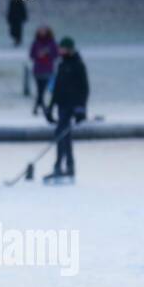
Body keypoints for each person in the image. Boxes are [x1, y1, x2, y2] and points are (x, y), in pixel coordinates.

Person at [45, 36, 88, 182]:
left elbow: (84, 88)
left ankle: (60, 165)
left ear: (68, 49)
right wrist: (50, 107)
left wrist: (81, 109)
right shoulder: (62, 64)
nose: (59, 50)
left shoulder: (78, 65)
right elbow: (57, 88)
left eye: (61, 48)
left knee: (61, 135)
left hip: (72, 106)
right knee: (65, 136)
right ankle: (68, 166)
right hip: (62, 105)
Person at [28, 26, 59, 115]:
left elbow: (56, 55)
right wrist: (38, 55)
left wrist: (48, 53)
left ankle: (39, 107)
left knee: (42, 90)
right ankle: (41, 107)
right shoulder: (36, 43)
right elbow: (31, 55)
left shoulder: (52, 43)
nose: (42, 32)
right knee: (40, 89)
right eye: (40, 31)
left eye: (43, 31)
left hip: (48, 69)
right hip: (37, 70)